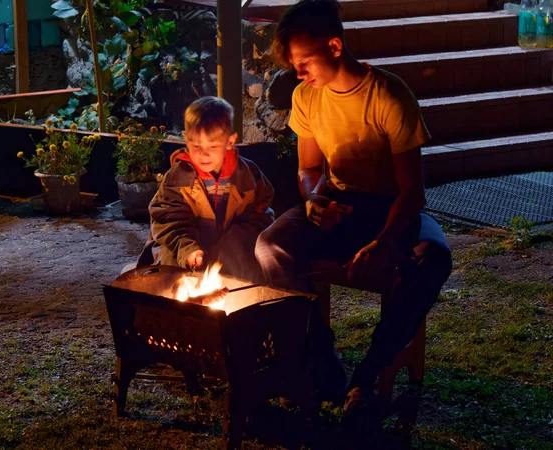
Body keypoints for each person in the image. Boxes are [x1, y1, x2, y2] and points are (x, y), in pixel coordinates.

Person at [255, 0, 452, 423]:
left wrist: (383, 242)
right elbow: (309, 169)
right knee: (270, 247)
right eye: (294, 64)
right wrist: (313, 199)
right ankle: (317, 363)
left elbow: (412, 191)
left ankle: (368, 374)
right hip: (340, 205)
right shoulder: (306, 96)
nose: (299, 73)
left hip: (389, 209)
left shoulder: (388, 95)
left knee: (433, 258)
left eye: (305, 62)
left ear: (335, 46)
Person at [137, 96, 274, 282]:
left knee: (251, 267)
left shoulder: (249, 177)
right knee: (172, 272)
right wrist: (187, 248)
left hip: (229, 248)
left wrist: (230, 245)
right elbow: (167, 219)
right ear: (186, 140)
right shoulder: (177, 178)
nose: (204, 154)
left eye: (213, 146)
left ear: (230, 142)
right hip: (183, 248)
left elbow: (260, 217)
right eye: (196, 146)